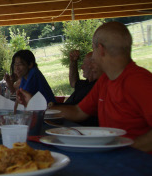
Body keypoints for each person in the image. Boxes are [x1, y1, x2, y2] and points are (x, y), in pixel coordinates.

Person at [18, 22, 152, 152]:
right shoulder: (105, 80)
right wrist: (36, 106)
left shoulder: (139, 81)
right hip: (111, 156)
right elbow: (78, 112)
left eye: (93, 49)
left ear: (100, 49)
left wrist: (129, 151)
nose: (93, 55)